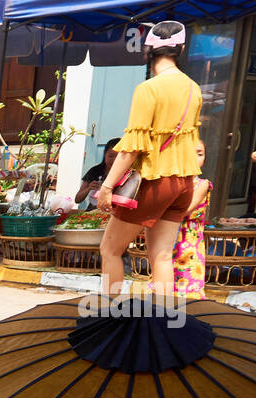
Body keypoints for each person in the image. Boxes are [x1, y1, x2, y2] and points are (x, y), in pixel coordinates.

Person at [96, 21, 203, 299]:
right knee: (162, 255)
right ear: (181, 49)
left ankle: (111, 313)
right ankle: (163, 319)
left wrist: (107, 187)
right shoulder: (194, 88)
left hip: (154, 180)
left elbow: (132, 147)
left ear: (148, 51)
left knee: (110, 249)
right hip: (183, 182)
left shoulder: (149, 88)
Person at [172, 141, 213, 301]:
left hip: (188, 246)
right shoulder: (173, 183)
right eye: (191, 152)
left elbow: (185, 210)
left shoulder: (202, 184)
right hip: (168, 241)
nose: (195, 157)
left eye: (200, 154)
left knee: (187, 290)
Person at [75, 138, 120, 209]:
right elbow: (77, 199)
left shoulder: (127, 174)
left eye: (118, 157)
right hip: (93, 211)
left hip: (114, 212)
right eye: (110, 156)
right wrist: (89, 188)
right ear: (105, 154)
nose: (114, 160)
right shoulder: (95, 171)